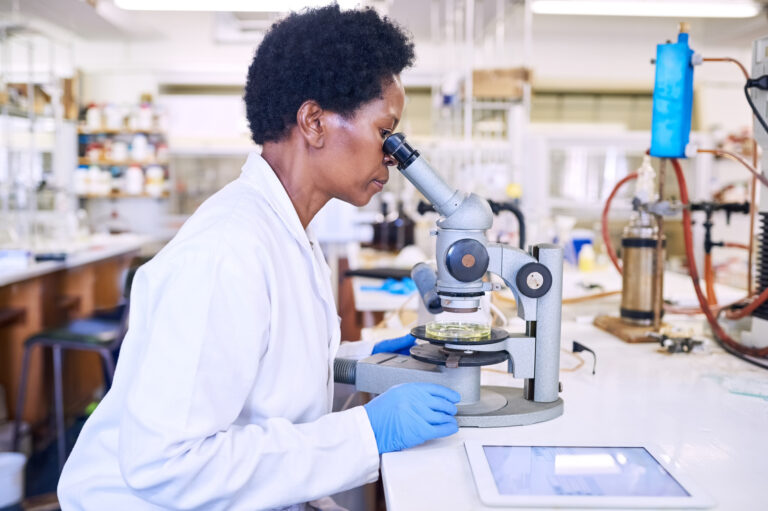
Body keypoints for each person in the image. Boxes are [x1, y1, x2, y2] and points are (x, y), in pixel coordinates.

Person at [58, 5, 460, 511]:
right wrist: (365, 434)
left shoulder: (287, 233)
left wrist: (366, 363)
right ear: (313, 122)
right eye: (386, 133)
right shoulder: (226, 251)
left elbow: (267, 381)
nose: (392, 156)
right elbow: (167, 465)